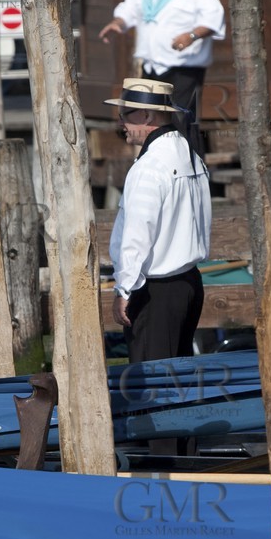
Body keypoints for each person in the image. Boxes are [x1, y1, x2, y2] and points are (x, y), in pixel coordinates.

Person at [106, 78, 211, 365]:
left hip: (155, 292)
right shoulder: (192, 156)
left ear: (147, 115)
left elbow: (138, 235)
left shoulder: (149, 167)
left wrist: (124, 289)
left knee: (152, 382)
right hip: (189, 283)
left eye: (125, 114)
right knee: (178, 378)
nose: (120, 123)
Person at [98, 0, 225, 130]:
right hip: (151, 67)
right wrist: (118, 23)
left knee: (181, 123)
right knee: (150, 122)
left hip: (184, 68)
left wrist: (192, 36)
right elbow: (129, 9)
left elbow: (214, 18)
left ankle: (187, 160)